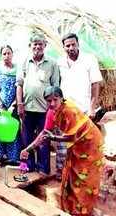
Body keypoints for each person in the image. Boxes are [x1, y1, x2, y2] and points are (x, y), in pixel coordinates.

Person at [20, 86, 104, 216]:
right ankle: (72, 208)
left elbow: (71, 136)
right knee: (73, 174)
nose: (52, 103)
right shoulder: (51, 113)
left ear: (61, 98)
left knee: (86, 178)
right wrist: (28, 149)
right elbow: (44, 134)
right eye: (48, 100)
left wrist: (53, 137)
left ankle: (83, 210)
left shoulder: (69, 110)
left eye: (55, 99)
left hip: (90, 143)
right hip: (76, 145)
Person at [16, 34, 60, 175]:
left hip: (44, 109)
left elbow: (55, 86)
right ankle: (28, 166)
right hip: (27, 108)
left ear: (44, 46)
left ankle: (43, 168)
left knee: (44, 139)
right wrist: (20, 104)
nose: (37, 47)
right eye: (34, 44)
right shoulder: (24, 62)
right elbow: (19, 85)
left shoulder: (52, 64)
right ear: (30, 46)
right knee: (26, 138)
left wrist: (52, 107)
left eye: (40, 44)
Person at [57, 33, 103, 117]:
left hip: (85, 109)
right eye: (67, 46)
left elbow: (95, 84)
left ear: (78, 44)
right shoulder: (60, 62)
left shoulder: (89, 59)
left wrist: (92, 108)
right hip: (67, 109)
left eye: (73, 44)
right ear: (63, 47)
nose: (71, 48)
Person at [0, 45, 20, 164]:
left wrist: (14, 104)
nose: (7, 56)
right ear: (1, 55)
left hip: (13, 106)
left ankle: (12, 157)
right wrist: (0, 104)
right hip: (0, 105)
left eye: (9, 53)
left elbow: (20, 88)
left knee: (13, 130)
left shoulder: (18, 69)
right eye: (4, 54)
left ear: (12, 54)